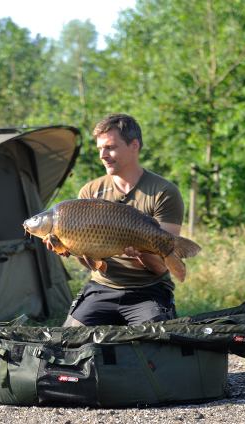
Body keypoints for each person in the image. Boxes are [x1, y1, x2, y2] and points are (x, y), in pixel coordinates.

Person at [46, 113, 185, 326]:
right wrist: (66, 248)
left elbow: (160, 268)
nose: (103, 155)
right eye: (100, 149)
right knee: (67, 343)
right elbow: (91, 263)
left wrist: (140, 254)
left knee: (156, 343)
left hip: (147, 290)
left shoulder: (164, 191)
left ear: (134, 145)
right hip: (103, 288)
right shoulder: (90, 192)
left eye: (110, 147)